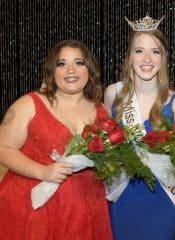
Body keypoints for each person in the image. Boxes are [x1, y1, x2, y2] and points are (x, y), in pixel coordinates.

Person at [0, 40, 113, 239]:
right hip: (34, 209)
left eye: (79, 63)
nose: (71, 70)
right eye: (62, 64)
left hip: (87, 210)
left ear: (89, 69)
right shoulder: (28, 104)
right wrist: (42, 171)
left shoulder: (101, 110)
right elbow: (4, 148)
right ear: (53, 71)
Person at [104, 15, 175, 240]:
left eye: (155, 51)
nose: (147, 58)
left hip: (163, 201)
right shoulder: (113, 94)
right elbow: (104, 148)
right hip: (122, 198)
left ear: (163, 58)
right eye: (139, 50)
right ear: (130, 56)